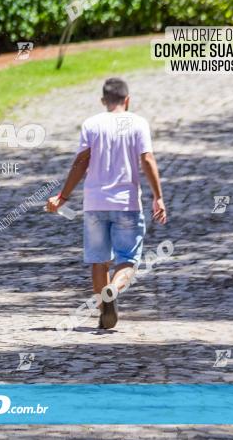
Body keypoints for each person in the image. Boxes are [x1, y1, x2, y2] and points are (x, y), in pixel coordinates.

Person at [46, 78, 167, 329]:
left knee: (98, 261)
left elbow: (81, 162)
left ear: (103, 101)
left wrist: (64, 196)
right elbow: (147, 159)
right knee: (128, 260)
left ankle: (104, 311)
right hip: (127, 203)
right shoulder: (138, 123)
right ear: (128, 100)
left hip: (94, 204)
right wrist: (158, 196)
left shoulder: (92, 124)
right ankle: (113, 289)